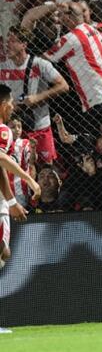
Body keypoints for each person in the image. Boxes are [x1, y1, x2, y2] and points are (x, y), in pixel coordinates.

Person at [44, 0, 102, 133]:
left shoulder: (71, 37)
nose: (60, 18)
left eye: (62, 15)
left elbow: (47, 57)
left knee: (101, 139)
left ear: (69, 17)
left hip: (96, 98)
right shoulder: (94, 30)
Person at [1, 26, 69, 165]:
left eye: (12, 41)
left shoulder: (39, 64)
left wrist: (39, 97)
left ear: (24, 44)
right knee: (18, 167)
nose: (8, 44)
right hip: (15, 128)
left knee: (46, 167)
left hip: (40, 125)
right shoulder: (2, 67)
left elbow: (64, 86)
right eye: (7, 41)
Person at [0, 83, 43, 280]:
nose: (13, 107)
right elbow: (0, 160)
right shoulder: (3, 130)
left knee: (4, 253)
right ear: (3, 105)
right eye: (11, 103)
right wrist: (29, 182)